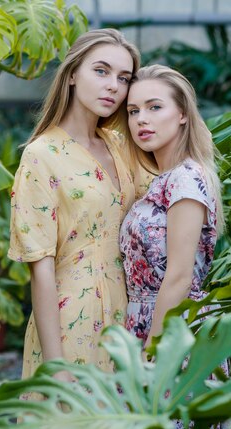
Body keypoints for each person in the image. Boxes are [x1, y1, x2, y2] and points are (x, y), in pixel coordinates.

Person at [8, 29, 141, 383]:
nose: (113, 85)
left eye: (123, 78)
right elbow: (41, 270)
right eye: (101, 71)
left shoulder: (120, 144)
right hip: (70, 322)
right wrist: (56, 369)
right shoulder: (41, 155)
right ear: (71, 75)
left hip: (126, 319)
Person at [120, 65, 226, 429]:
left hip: (171, 330)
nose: (141, 120)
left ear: (182, 114)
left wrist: (154, 349)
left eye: (154, 107)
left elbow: (179, 276)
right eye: (133, 111)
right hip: (150, 323)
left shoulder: (184, 179)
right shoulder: (163, 179)